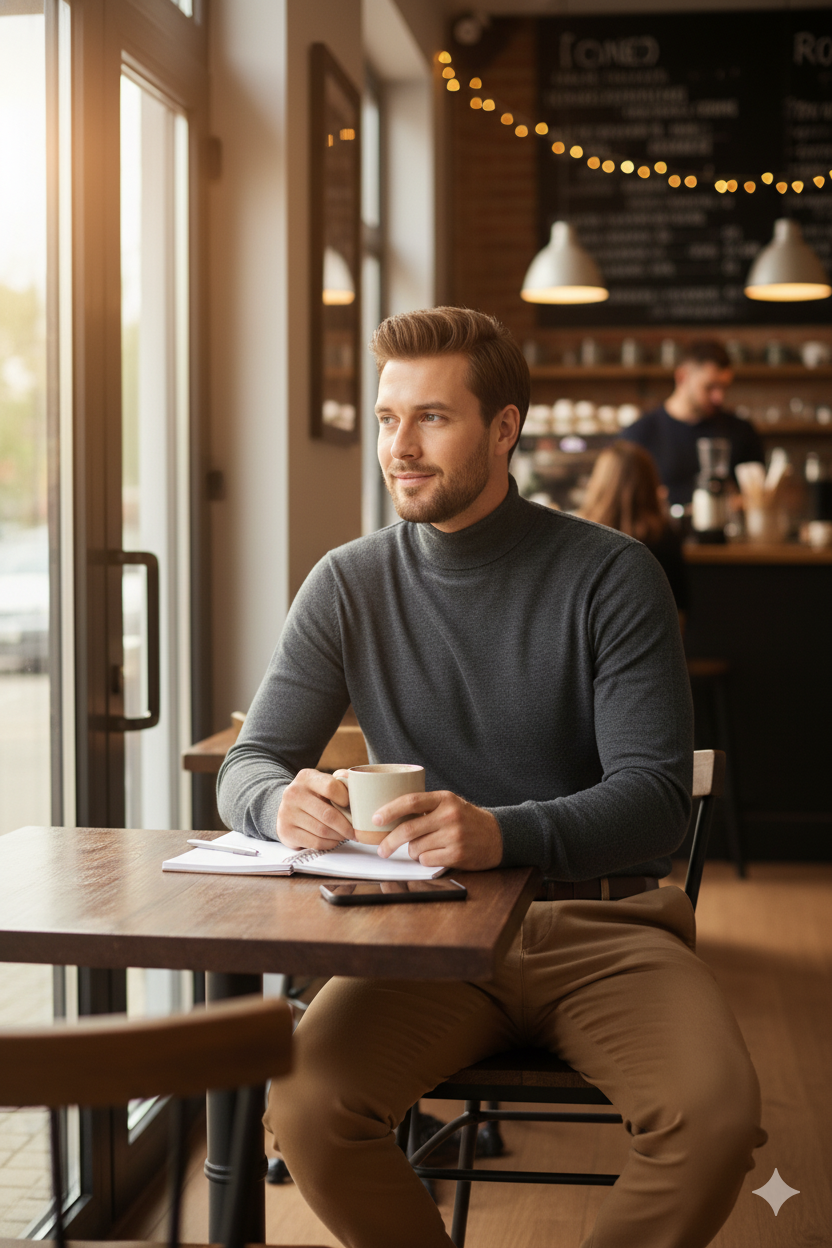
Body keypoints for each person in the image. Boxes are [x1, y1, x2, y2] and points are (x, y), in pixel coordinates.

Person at [217, 307, 766, 1248]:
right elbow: (246, 765)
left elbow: (656, 801)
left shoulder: (612, 575)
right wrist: (277, 803)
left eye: (431, 418)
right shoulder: (347, 583)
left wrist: (503, 832)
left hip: (601, 927)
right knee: (306, 1108)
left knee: (713, 1122)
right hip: (425, 934)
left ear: (504, 428)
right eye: (389, 419)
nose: (400, 447)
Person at [623, 339, 765, 507]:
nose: (719, 397)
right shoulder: (638, 434)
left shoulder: (742, 431)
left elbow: (759, 495)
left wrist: (745, 500)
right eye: (710, 387)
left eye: (724, 387)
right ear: (682, 377)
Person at [580, 439, 688, 613]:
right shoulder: (665, 536)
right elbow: (681, 608)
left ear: (599, 483)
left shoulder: (581, 537)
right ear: (650, 483)